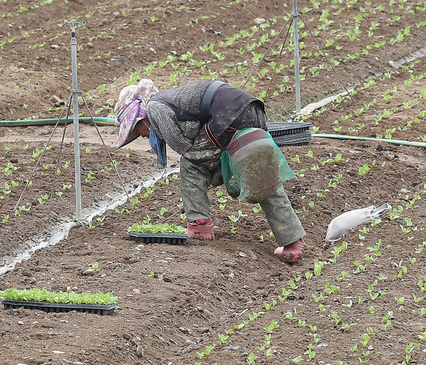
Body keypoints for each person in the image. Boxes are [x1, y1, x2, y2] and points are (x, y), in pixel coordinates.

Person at [116, 78, 307, 264]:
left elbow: (186, 147)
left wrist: (197, 191)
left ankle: (200, 225)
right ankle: (293, 243)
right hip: (253, 110)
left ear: (140, 116)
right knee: (260, 171)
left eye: (136, 129)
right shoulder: (169, 100)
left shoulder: (154, 108)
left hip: (226, 117)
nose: (140, 135)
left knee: (191, 164)